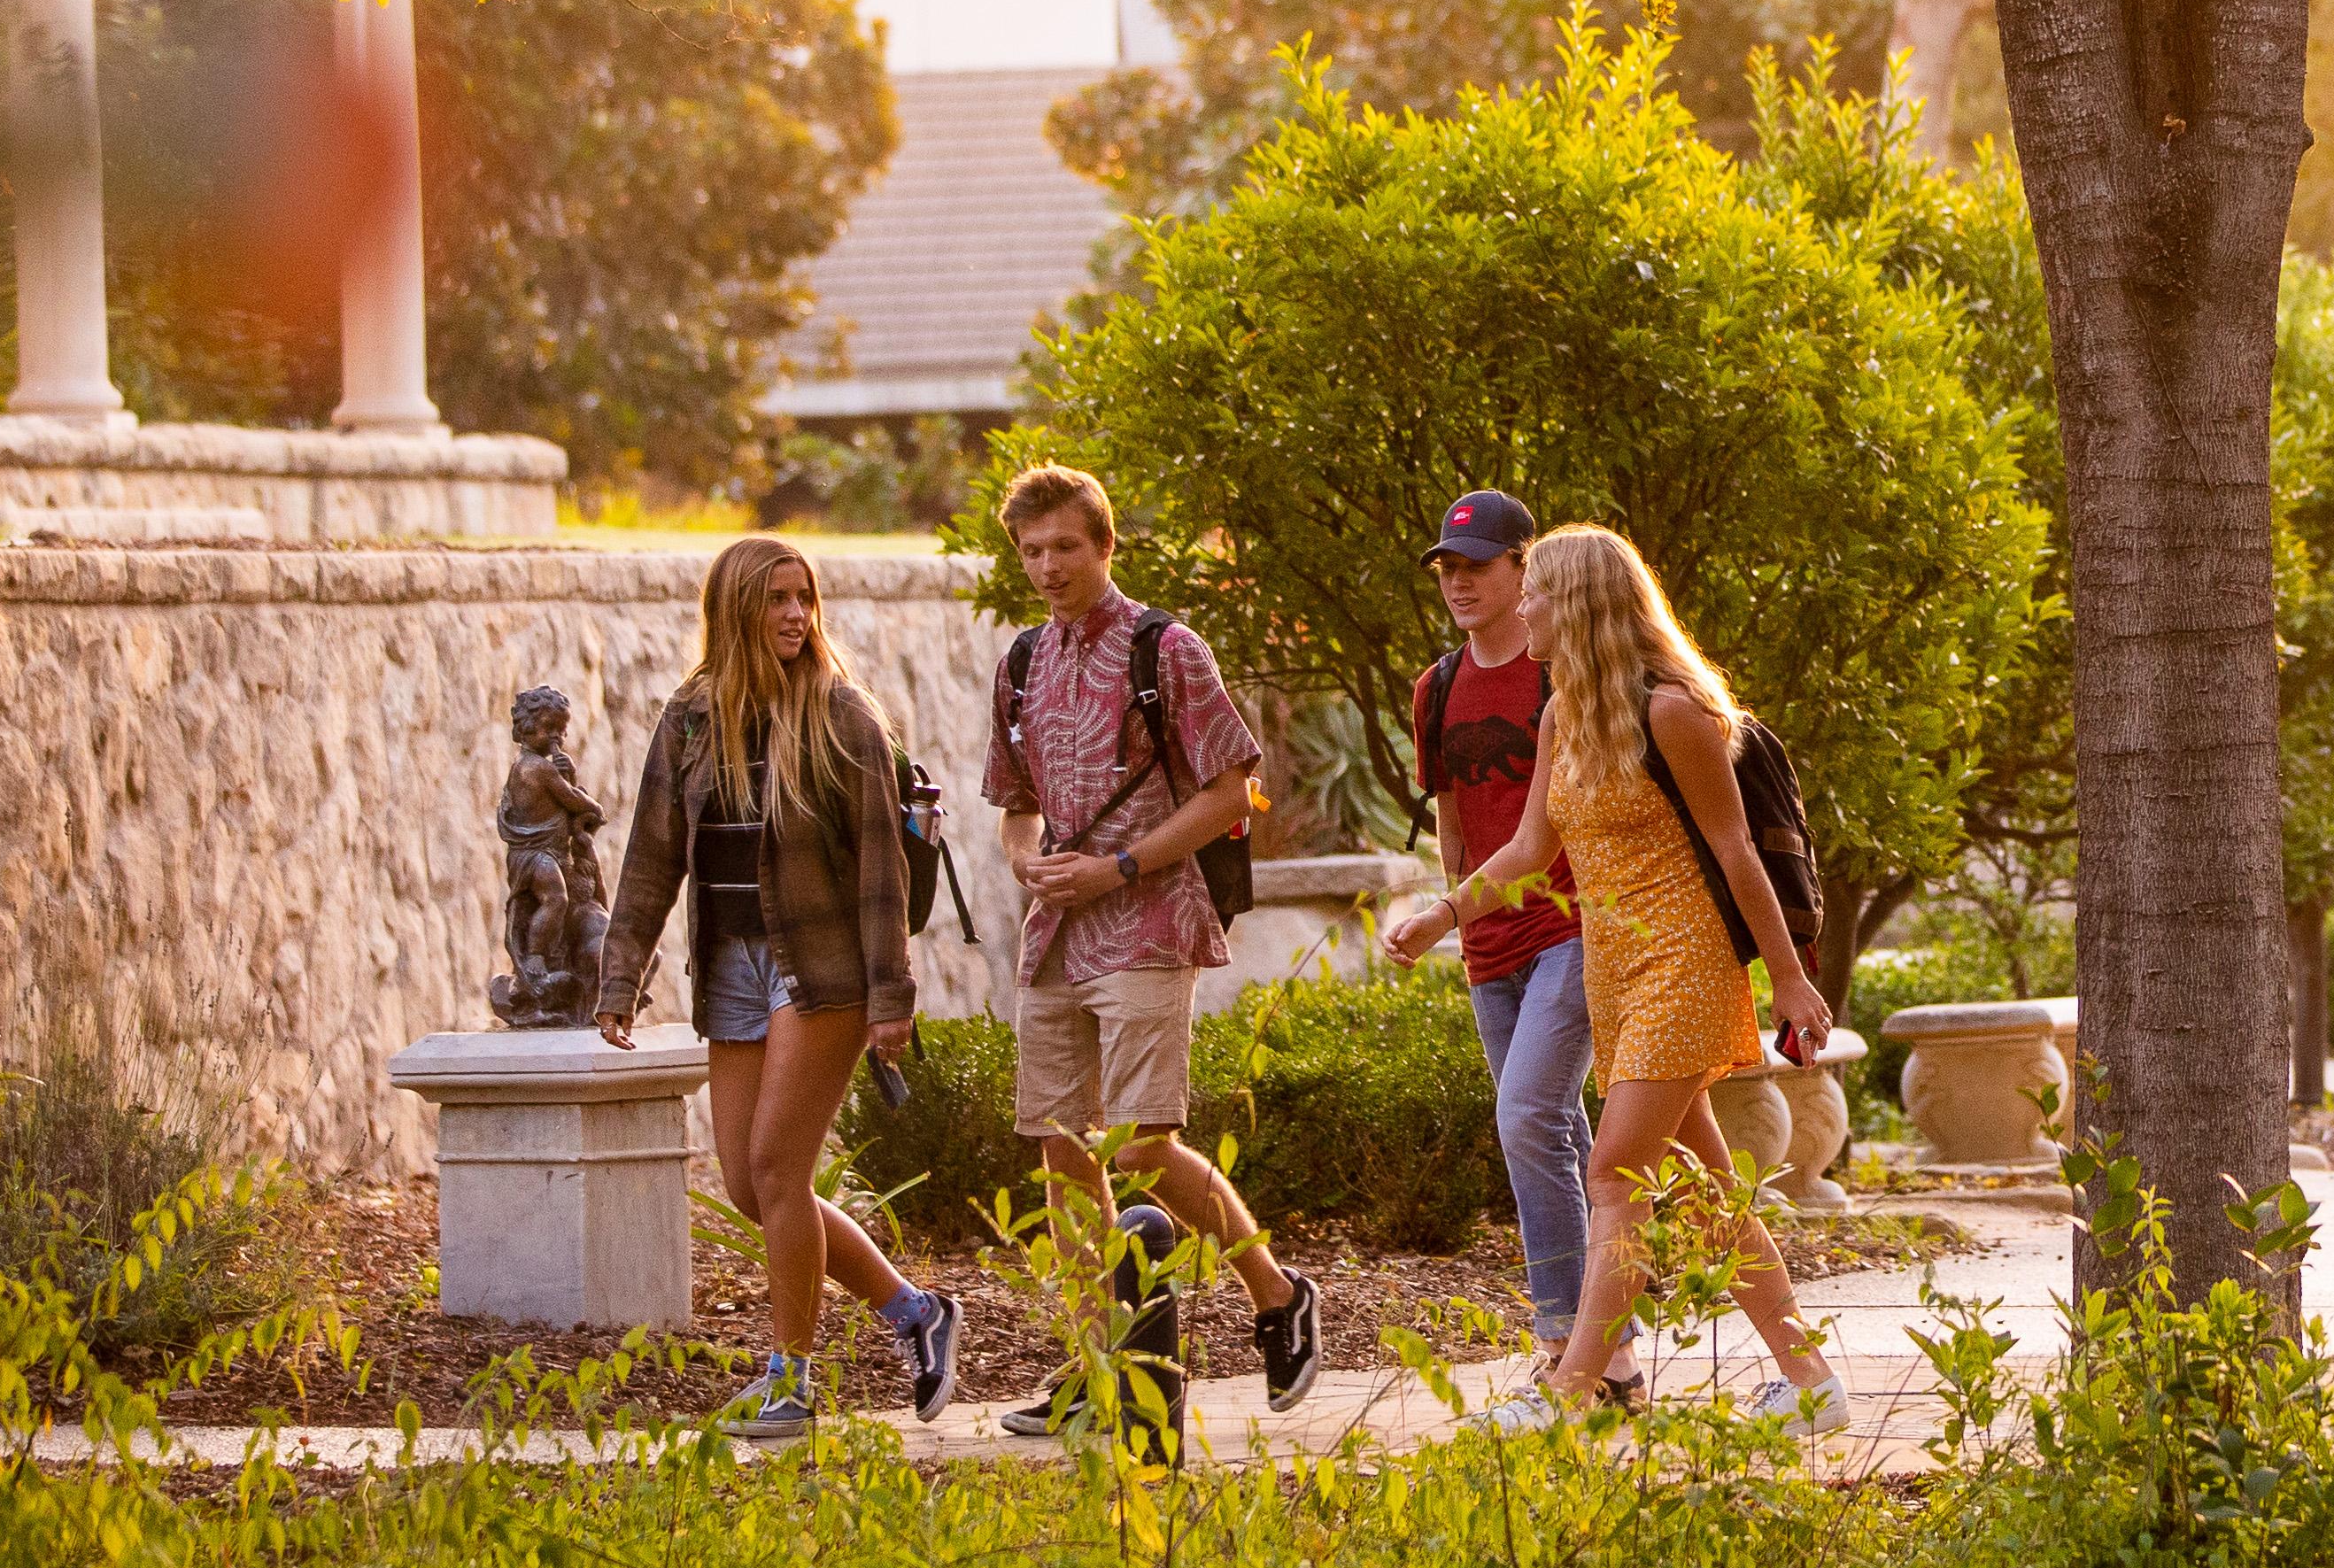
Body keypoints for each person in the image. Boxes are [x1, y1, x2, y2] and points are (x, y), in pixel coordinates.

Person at [1386, 524, 1845, 1433]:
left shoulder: (1671, 710)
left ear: (1584, 602)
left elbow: (1736, 853)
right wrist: (1443, 914)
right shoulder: (1563, 711)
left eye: (1538, 593)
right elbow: (1526, 849)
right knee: (1706, 1184)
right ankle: (1810, 1379)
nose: (1524, 608)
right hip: (1615, 968)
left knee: (1614, 1168)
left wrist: (1789, 980)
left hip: (1685, 960)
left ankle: (1575, 1387)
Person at [984, 462, 1322, 1432]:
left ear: (1104, 545)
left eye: (1065, 547)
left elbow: (1231, 793)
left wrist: (1120, 866)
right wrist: (1024, 862)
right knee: (1059, 1150)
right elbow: (1013, 802)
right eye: (1032, 550)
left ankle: (1276, 1293)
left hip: (1149, 918)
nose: (1048, 566)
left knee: (1139, 1143)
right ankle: (1098, 1369)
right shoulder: (1020, 661)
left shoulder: (1165, 648)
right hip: (1055, 929)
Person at [599, 533, 961, 1438]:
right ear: (735, 611)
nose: (796, 615)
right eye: (776, 599)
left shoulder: (843, 718)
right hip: (729, 968)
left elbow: (883, 871)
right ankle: (915, 1313)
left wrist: (891, 999)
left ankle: (792, 1380)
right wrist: (619, 977)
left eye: (805, 598)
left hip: (821, 970)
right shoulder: (690, 719)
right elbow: (649, 859)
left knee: (776, 1169)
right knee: (749, 1186)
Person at [1412, 487, 1620, 1398]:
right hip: (1487, 938)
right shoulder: (1437, 687)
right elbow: (1453, 819)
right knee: (1559, 1127)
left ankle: (1566, 1341)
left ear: (1522, 571)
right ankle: (1613, 1358)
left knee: (1527, 1115)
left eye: (1478, 566)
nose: (1460, 582)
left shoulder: (1558, 679)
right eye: (1448, 568)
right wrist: (1458, 920)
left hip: (1572, 929)